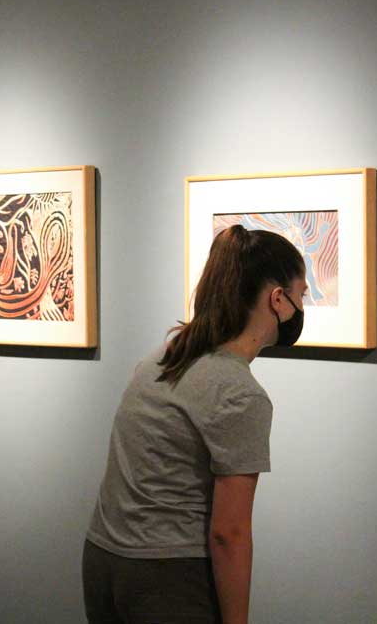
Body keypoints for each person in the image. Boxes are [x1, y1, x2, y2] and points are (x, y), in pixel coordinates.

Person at [83, 226, 307, 624]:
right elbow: (229, 534)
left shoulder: (163, 356)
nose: (300, 308)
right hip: (167, 579)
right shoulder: (240, 393)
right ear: (277, 300)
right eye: (301, 296)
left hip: (104, 562)